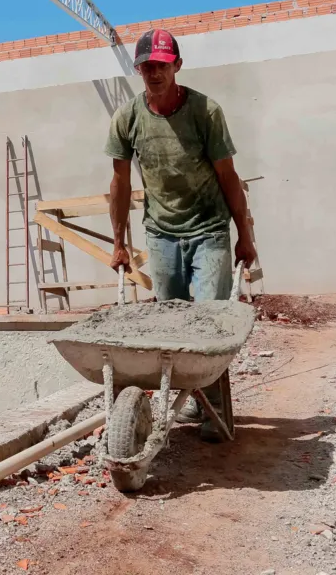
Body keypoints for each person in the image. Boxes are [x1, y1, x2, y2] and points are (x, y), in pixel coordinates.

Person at [104, 28, 257, 441]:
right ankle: (191, 399)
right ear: (139, 69)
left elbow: (228, 176)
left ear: (177, 66)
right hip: (162, 233)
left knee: (210, 322)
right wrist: (119, 244)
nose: (154, 73)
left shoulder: (205, 112)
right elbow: (119, 184)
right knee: (172, 325)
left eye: (162, 65)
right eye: (147, 66)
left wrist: (245, 235)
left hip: (209, 227)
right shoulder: (127, 118)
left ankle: (216, 411)